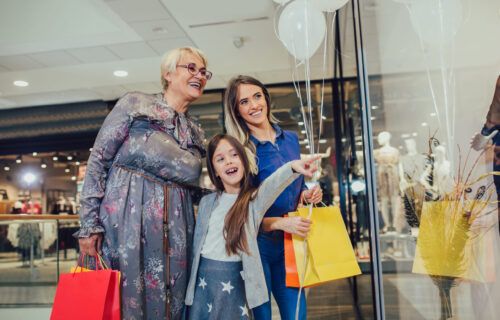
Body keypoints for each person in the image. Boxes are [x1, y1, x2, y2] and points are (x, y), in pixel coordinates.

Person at [74, 46, 211, 320]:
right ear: (168, 73)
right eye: (191, 68)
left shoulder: (196, 131)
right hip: (124, 224)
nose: (200, 75)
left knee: (172, 299)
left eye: (204, 71)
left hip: (177, 231)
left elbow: (195, 188)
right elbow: (99, 160)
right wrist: (88, 225)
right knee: (121, 299)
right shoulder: (136, 103)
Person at [185, 134, 320, 319]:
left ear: (243, 161)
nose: (228, 162)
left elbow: (272, 185)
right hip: (204, 282)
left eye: (234, 155)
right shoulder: (207, 202)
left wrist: (292, 168)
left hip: (234, 283)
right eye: (220, 159)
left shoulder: (253, 201)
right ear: (214, 170)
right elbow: (196, 244)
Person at [224, 75, 322, 320]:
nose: (254, 105)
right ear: (236, 111)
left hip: (290, 242)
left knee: (296, 314)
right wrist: (277, 223)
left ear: (266, 98)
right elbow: (241, 209)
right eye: (244, 102)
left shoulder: (290, 139)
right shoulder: (240, 149)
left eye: (257, 96)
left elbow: (292, 186)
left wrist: (306, 194)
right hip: (258, 246)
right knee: (262, 316)